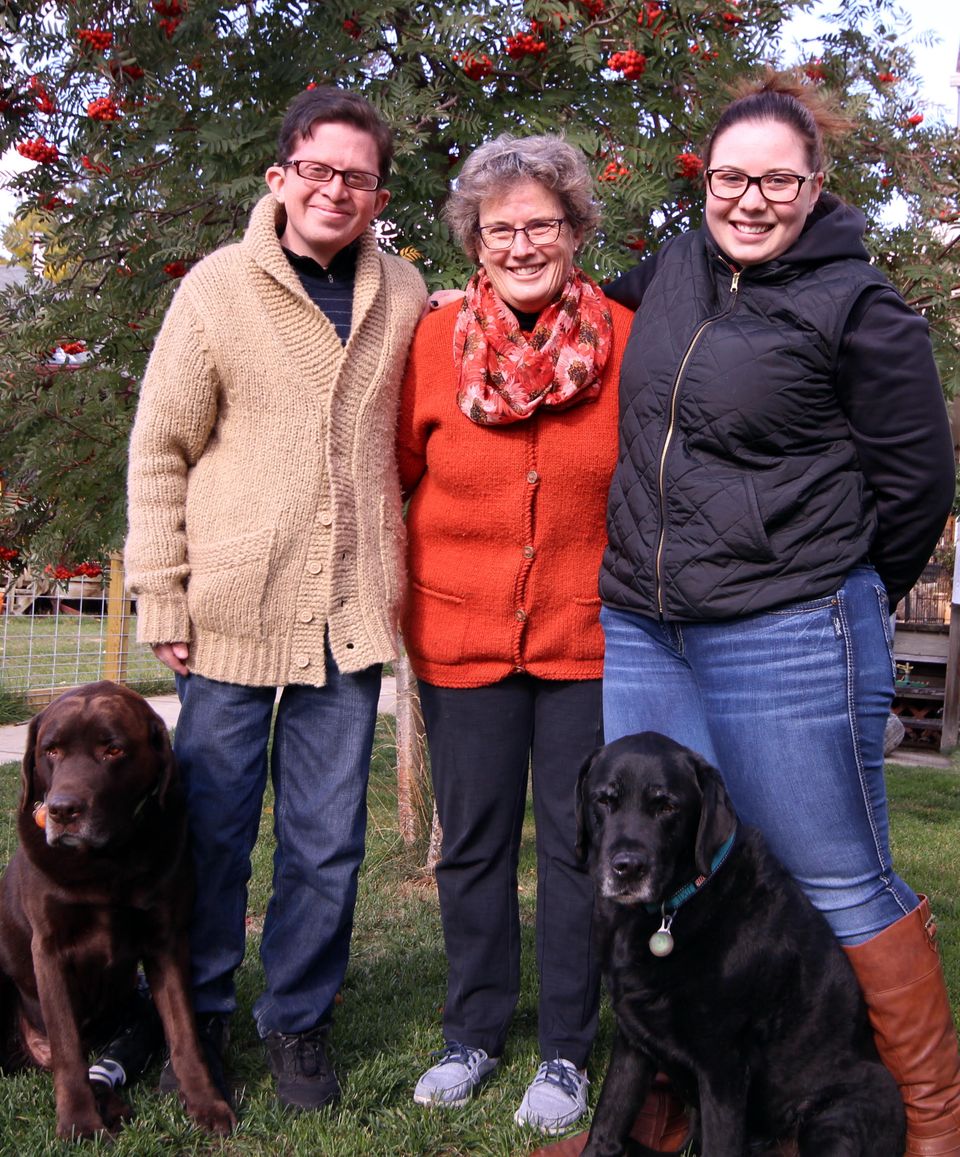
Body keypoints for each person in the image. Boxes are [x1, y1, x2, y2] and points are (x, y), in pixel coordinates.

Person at [586, 73, 957, 1157]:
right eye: (732, 177)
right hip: (651, 624)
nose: (751, 200)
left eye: (778, 180)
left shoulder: (860, 303)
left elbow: (917, 478)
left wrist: (841, 582)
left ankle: (929, 1113)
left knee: (833, 866)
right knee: (669, 853)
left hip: (785, 624)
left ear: (816, 185)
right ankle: (687, 1083)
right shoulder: (671, 271)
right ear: (704, 177)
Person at [122, 85, 426, 1112]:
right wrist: (158, 590)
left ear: (380, 192)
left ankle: (296, 1016)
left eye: (358, 175)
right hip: (230, 610)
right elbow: (161, 448)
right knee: (211, 826)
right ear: (282, 176)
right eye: (318, 169)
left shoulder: (409, 292)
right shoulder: (217, 287)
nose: (336, 189)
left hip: (350, 613)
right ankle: (195, 1015)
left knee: (328, 835)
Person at [396, 133, 634, 1136]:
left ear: (576, 230)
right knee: (475, 845)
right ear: (475, 240)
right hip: (462, 636)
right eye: (502, 228)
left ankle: (570, 1049)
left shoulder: (626, 335)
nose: (523, 242)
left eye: (543, 223)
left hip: (587, 641)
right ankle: (473, 1031)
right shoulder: (430, 342)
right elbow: (396, 474)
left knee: (581, 847)